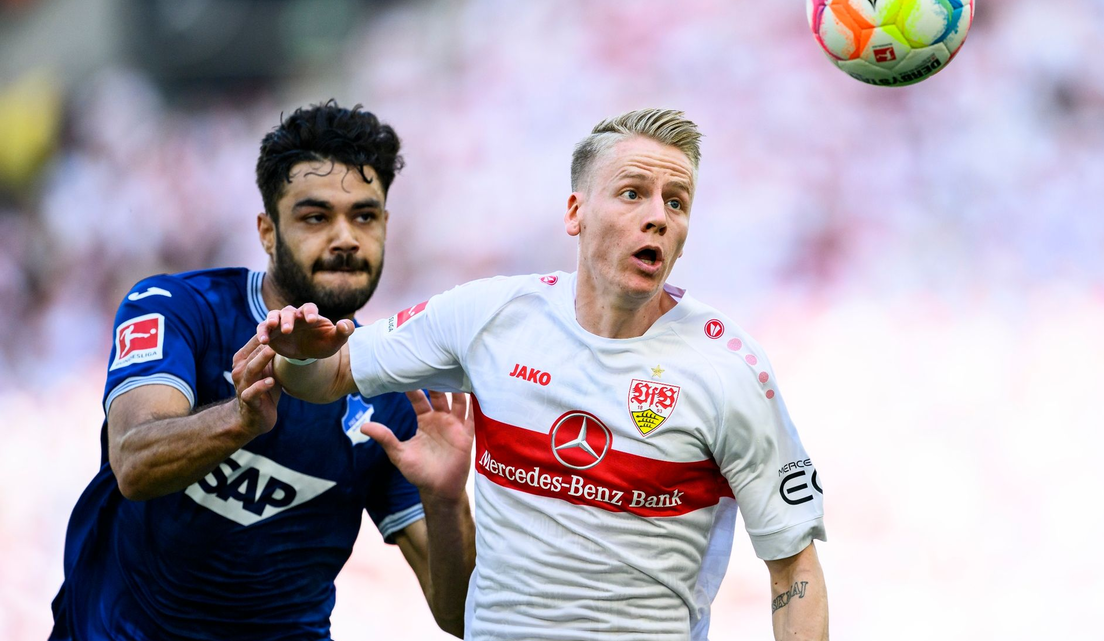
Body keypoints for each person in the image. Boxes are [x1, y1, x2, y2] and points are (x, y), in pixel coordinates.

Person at [259, 108, 829, 640]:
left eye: (676, 203)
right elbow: (327, 376)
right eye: (633, 193)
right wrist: (300, 354)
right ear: (576, 213)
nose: (658, 216)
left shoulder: (729, 368)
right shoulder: (491, 316)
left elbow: (794, 568)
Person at [50, 101, 474, 641]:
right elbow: (133, 462)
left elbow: (459, 615)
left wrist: (445, 501)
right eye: (316, 217)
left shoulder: (392, 389)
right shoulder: (179, 308)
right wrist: (240, 419)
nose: (346, 237)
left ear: (386, 227)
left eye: (364, 216)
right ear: (267, 231)